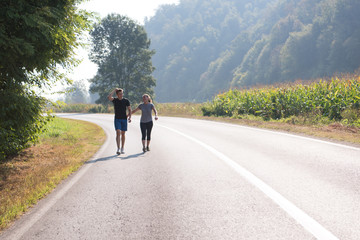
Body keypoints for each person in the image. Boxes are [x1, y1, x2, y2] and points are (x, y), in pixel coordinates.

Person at [108, 88, 132, 155]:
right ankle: (118, 148)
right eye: (120, 94)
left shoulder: (126, 100)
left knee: (123, 134)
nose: (121, 95)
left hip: (124, 119)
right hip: (117, 119)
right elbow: (109, 97)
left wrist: (130, 117)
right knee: (118, 132)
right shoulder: (115, 100)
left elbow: (130, 109)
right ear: (117, 94)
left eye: (122, 93)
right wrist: (114, 90)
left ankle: (122, 148)